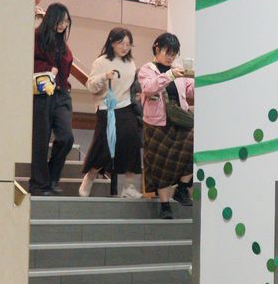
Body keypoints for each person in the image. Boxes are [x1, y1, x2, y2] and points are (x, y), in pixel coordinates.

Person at [79, 28, 143, 198]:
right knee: (105, 146)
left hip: (126, 106)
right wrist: (103, 77)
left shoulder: (131, 63)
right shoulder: (101, 62)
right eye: (121, 43)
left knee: (132, 141)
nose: (125, 47)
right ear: (112, 42)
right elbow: (91, 86)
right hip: (107, 108)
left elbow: (131, 85)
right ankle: (90, 176)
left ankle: (128, 185)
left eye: (128, 44)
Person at [137, 33, 194, 219]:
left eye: (174, 53)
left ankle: (183, 188)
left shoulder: (178, 71)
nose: (171, 57)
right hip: (156, 124)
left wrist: (200, 79)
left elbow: (189, 90)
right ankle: (164, 205)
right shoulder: (147, 69)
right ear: (156, 48)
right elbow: (149, 88)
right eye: (167, 52)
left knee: (193, 148)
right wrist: (168, 75)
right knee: (161, 164)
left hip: (180, 120)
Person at [30, 3, 75, 196]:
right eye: (61, 20)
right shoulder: (36, 37)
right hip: (42, 92)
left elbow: (66, 68)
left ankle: (52, 177)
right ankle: (39, 184)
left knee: (66, 137)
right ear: (51, 18)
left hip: (61, 93)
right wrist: (48, 69)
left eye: (66, 21)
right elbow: (27, 60)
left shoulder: (63, 44)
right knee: (40, 139)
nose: (63, 25)